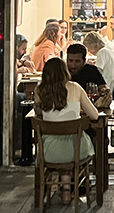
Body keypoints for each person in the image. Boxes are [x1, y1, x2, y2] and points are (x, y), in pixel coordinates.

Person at [34, 58, 98, 202]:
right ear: (65, 72)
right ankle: (67, 191)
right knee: (72, 144)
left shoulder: (40, 90)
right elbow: (94, 115)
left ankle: (63, 189)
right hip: (75, 149)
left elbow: (38, 112)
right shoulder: (75, 88)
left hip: (48, 152)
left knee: (60, 146)